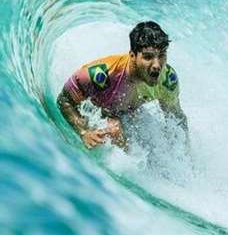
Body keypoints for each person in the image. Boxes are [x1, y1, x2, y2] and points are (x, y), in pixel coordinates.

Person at [57, 21, 188, 150]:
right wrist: (84, 132)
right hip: (98, 110)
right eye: (148, 57)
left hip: (129, 112)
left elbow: (176, 117)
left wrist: (185, 152)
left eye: (162, 56)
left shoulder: (166, 81)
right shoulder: (103, 74)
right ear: (132, 56)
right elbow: (64, 100)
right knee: (115, 131)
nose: (157, 65)